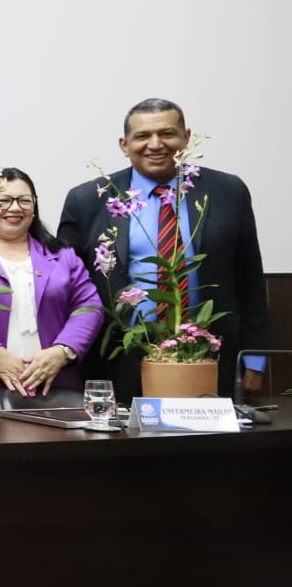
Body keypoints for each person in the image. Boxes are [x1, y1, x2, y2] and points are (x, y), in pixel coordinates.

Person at [58, 98, 267, 400]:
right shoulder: (88, 199)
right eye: (142, 136)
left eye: (167, 134)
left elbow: (249, 278)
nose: (155, 145)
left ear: (186, 137)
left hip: (210, 353)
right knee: (122, 447)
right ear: (124, 144)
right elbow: (70, 285)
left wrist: (256, 358)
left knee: (209, 447)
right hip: (119, 357)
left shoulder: (227, 191)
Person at [0, 168, 104, 413]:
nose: (15, 208)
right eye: (3, 200)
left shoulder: (62, 256)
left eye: (24, 200)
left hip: (56, 385)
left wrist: (62, 351)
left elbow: (89, 307)